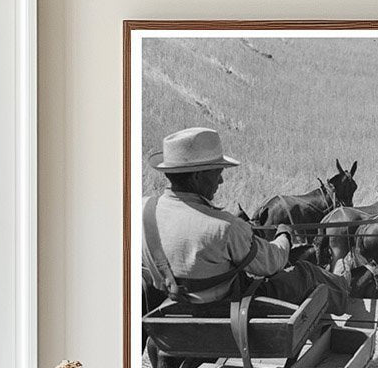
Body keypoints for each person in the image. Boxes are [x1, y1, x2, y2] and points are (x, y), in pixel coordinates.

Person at [142, 125, 350, 315]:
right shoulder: (223, 227)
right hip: (227, 309)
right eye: (217, 173)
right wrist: (284, 236)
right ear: (197, 176)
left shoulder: (143, 210)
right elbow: (272, 263)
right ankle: (344, 290)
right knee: (305, 273)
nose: (221, 180)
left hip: (173, 307)